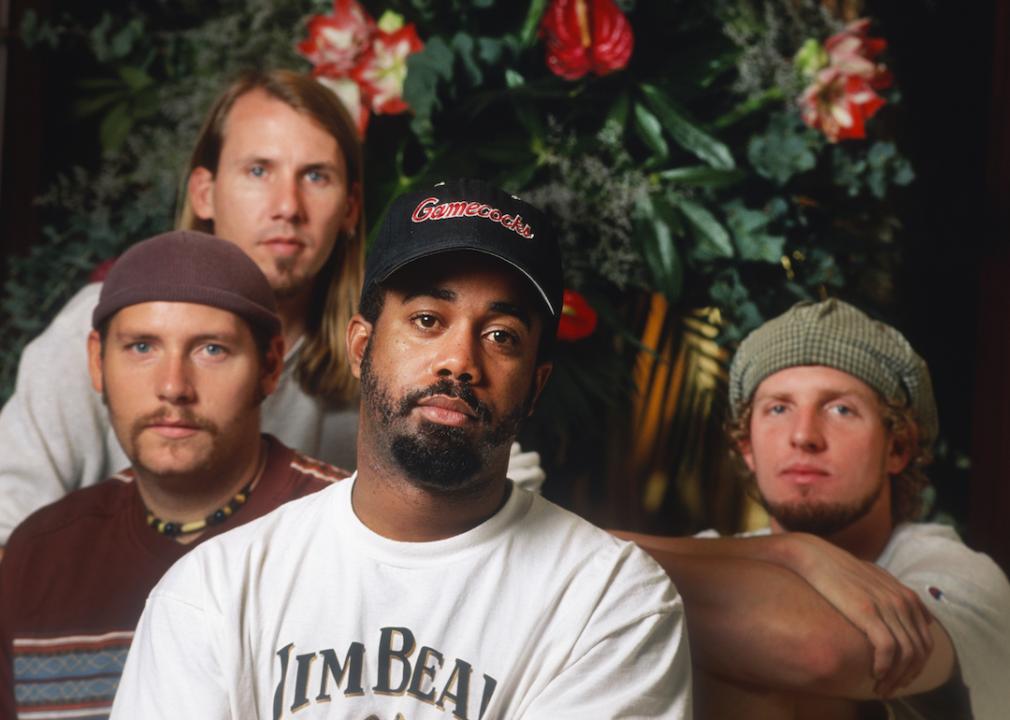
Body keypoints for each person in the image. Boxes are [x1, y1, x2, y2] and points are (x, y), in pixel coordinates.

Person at [110, 179, 692, 719]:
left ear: (536, 385)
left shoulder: (611, 602)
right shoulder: (215, 592)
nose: (459, 361)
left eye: (501, 337)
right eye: (426, 319)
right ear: (361, 347)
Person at [0, 69, 542, 548]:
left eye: (316, 176)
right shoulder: (104, 324)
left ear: (351, 207)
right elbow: (9, 529)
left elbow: (500, 489)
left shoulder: (393, 345)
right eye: (258, 171)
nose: (287, 208)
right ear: (205, 193)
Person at [0, 231, 351, 720]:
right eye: (142, 347)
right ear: (96, 364)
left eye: (211, 350)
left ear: (270, 366)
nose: (173, 387)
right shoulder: (38, 556)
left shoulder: (351, 535)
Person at [617, 299, 1010, 719]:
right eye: (778, 409)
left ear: (897, 447)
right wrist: (790, 552)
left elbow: (820, 651)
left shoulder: (966, 575)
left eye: (841, 409)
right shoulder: (712, 551)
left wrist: (792, 551)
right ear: (746, 447)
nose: (803, 436)